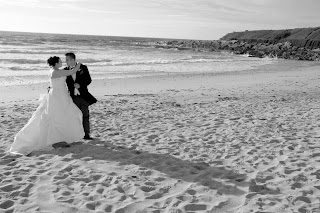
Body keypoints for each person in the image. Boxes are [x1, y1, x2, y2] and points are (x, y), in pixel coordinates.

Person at [10, 56, 85, 155]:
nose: (61, 62)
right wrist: (79, 64)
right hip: (59, 96)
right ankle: (56, 139)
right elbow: (72, 71)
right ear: (56, 63)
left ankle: (61, 138)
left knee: (61, 115)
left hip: (59, 94)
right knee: (59, 115)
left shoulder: (53, 71)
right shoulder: (56, 72)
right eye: (60, 61)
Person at [65, 53, 97, 140]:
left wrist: (80, 85)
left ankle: (86, 134)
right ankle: (77, 134)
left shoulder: (83, 68)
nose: (66, 61)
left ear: (72, 60)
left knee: (85, 115)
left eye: (67, 59)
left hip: (83, 96)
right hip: (73, 97)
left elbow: (88, 80)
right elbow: (63, 83)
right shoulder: (65, 70)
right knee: (75, 116)